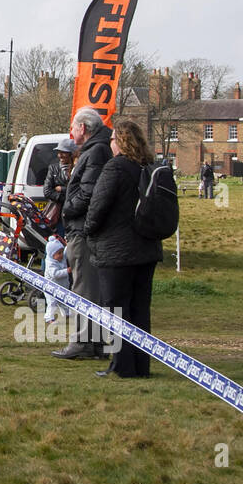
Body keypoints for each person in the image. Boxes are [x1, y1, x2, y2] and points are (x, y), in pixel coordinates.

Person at [85, 120, 164, 379]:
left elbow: (98, 207)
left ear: (120, 141)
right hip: (147, 248)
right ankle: (142, 365)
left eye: (112, 140)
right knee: (140, 309)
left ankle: (121, 365)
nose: (109, 144)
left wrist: (89, 230)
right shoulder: (150, 167)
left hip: (117, 251)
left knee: (116, 310)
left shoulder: (115, 167)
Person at [52, 106, 112, 361]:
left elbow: (88, 194)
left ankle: (83, 342)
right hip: (83, 228)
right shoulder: (93, 151)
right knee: (88, 287)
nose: (72, 132)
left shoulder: (95, 152)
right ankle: (94, 342)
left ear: (83, 128)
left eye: (74, 127)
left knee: (84, 288)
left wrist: (68, 208)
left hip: (83, 230)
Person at [44, 137, 76, 233]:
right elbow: (47, 191)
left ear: (71, 154)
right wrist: (67, 198)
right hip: (58, 217)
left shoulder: (78, 168)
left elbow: (79, 190)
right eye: (58, 152)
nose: (60, 155)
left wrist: (62, 189)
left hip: (74, 214)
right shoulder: (53, 168)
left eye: (63, 152)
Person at [42, 234, 71, 325]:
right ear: (51, 254)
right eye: (59, 253)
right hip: (51, 288)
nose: (61, 255)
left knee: (64, 300)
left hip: (62, 286)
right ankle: (49, 317)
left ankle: (66, 313)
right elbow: (55, 275)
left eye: (61, 252)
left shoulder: (61, 258)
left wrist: (67, 244)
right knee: (52, 303)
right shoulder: (50, 263)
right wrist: (67, 271)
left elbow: (66, 251)